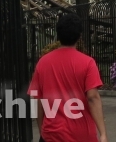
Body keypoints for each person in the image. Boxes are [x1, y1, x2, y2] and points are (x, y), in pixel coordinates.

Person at [28, 12, 109, 142]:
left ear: (58, 35)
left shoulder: (42, 63)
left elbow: (37, 99)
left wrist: (42, 130)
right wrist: (103, 133)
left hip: (52, 134)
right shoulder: (87, 63)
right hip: (81, 135)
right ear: (79, 36)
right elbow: (93, 98)